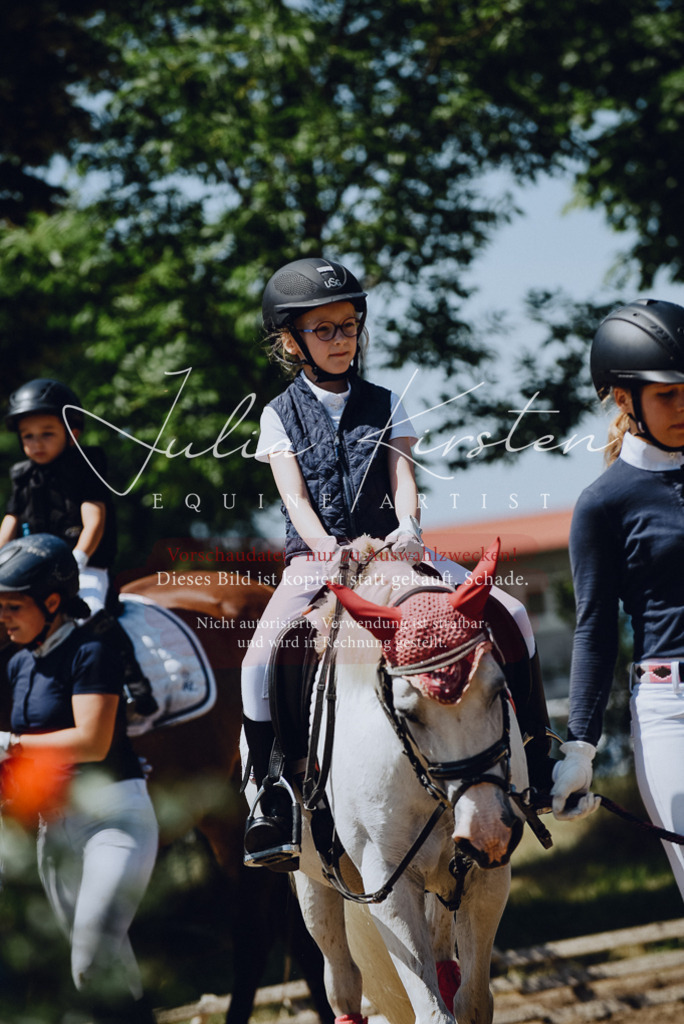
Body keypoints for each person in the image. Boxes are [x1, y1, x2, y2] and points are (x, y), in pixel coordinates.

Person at [242, 256, 423, 865]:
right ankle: (270, 795)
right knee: (257, 659)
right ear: (293, 341)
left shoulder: (387, 401)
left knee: (509, 613)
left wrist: (409, 527)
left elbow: (404, 477)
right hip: (314, 562)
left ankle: (536, 751)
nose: (342, 339)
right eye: (325, 329)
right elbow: (293, 495)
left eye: (348, 326)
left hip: (390, 552)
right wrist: (324, 548)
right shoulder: (277, 413)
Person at [551, 298, 684, 897]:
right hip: (671, 711)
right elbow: (596, 629)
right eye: (667, 395)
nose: (683, 407)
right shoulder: (604, 504)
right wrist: (580, 746)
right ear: (623, 398)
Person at [0, 533, 158, 1023]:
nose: (1, 617)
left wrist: (10, 744)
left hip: (113, 821)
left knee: (89, 957)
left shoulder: (93, 649)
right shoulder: (20, 663)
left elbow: (93, 741)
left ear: (51, 601)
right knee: (102, 967)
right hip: (55, 832)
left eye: (11, 606)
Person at [0, 378, 157, 716]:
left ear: (72, 433)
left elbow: (94, 520)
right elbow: (10, 521)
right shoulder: (23, 476)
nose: (37, 443)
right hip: (32, 572)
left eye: (47, 433)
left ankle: (135, 688)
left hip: (84, 567)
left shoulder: (84, 466)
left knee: (90, 614)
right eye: (28, 436)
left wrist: (77, 561)